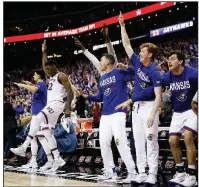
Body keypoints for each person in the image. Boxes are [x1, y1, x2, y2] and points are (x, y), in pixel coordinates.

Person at [10, 40, 73, 172]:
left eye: (50, 68)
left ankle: (23, 147)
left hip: (57, 104)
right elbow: (44, 66)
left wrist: (68, 108)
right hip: (52, 105)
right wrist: (44, 52)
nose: (47, 70)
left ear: (56, 67)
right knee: (47, 134)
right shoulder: (50, 77)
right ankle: (57, 159)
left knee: (37, 119)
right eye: (47, 68)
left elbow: (70, 92)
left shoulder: (61, 75)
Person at [115, 12, 162, 185]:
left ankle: (153, 173)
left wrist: (152, 114)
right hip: (136, 108)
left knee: (151, 141)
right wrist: (122, 26)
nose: (139, 53)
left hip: (150, 107)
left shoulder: (155, 72)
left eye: (142, 51)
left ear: (149, 54)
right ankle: (141, 172)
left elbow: (158, 96)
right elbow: (127, 45)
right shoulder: (137, 63)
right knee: (138, 141)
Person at [82, 53, 137, 183]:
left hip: (118, 111)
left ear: (108, 62)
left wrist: (127, 67)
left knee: (120, 141)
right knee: (103, 142)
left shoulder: (119, 72)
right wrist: (87, 96)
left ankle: (132, 171)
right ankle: (109, 169)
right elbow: (99, 97)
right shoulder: (101, 79)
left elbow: (138, 74)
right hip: (105, 114)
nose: (99, 64)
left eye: (101, 61)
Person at [162, 51, 198, 187]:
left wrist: (196, 100)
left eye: (172, 59)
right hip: (177, 112)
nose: (169, 62)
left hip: (191, 109)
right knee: (172, 140)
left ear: (181, 61)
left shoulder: (192, 72)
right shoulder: (168, 76)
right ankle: (181, 172)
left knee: (188, 137)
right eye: (168, 59)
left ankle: (192, 175)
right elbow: (156, 82)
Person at [4, 95, 18, 160]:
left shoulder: (7, 105)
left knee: (12, 142)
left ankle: (16, 157)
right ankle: (7, 155)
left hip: (10, 126)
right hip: (6, 127)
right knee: (7, 142)